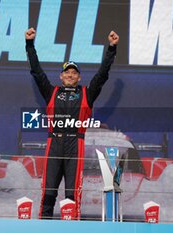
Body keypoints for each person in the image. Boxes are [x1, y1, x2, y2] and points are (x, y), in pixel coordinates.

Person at [25, 27, 119, 219]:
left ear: (79, 77)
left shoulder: (87, 93)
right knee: (48, 194)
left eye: (73, 72)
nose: (69, 75)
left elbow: (102, 76)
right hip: (54, 145)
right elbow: (36, 72)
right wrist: (29, 45)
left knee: (72, 196)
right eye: (66, 72)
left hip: (75, 145)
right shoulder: (51, 92)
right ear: (61, 76)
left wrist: (111, 49)